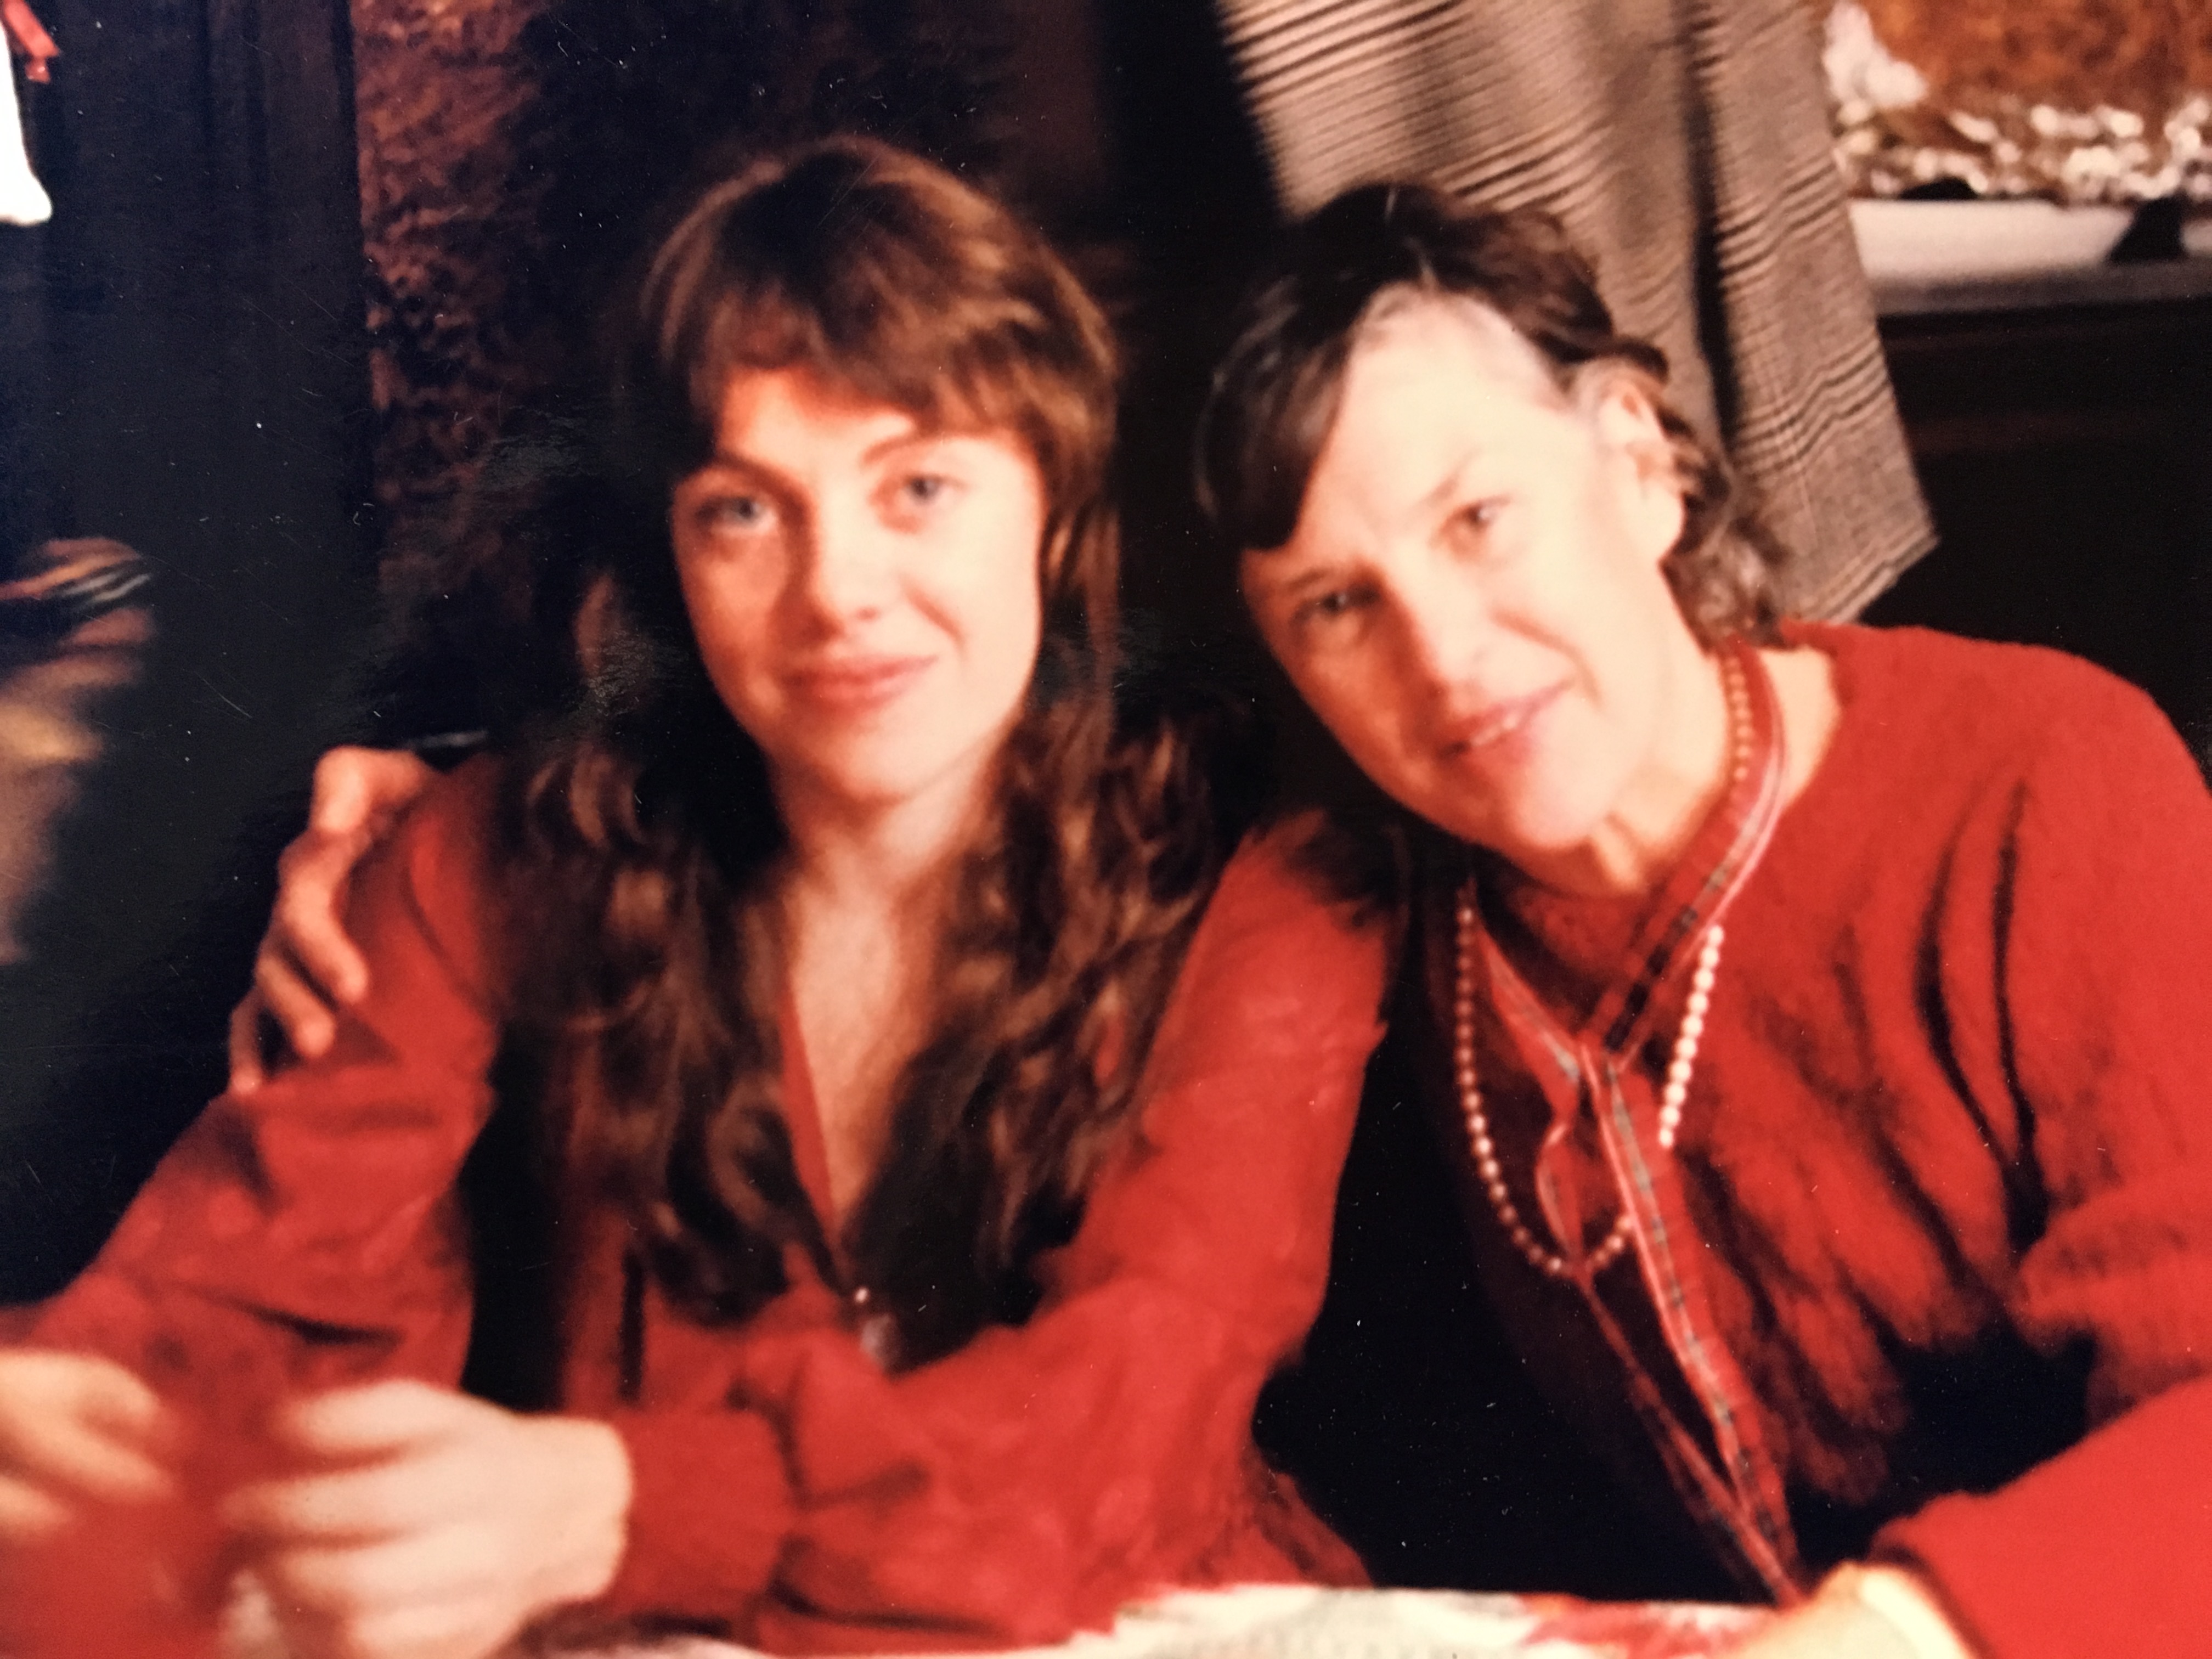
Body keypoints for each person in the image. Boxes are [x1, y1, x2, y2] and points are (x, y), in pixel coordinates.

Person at [0, 139, 1386, 1659]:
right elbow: (230, 1301)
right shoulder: (506, 851)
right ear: (670, 551)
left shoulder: (1263, 892)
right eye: (743, 509)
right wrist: (74, 1415)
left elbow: (1120, 1433)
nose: (838, 590)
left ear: (1053, 512)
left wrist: (624, 1503)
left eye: (920, 487)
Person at [1197, 186, 2212, 1658]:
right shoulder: (1377, 936)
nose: (1444, 657)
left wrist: (1891, 1631)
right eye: (1336, 606)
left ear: (1636, 461)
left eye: (1478, 520)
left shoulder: (2047, 783)